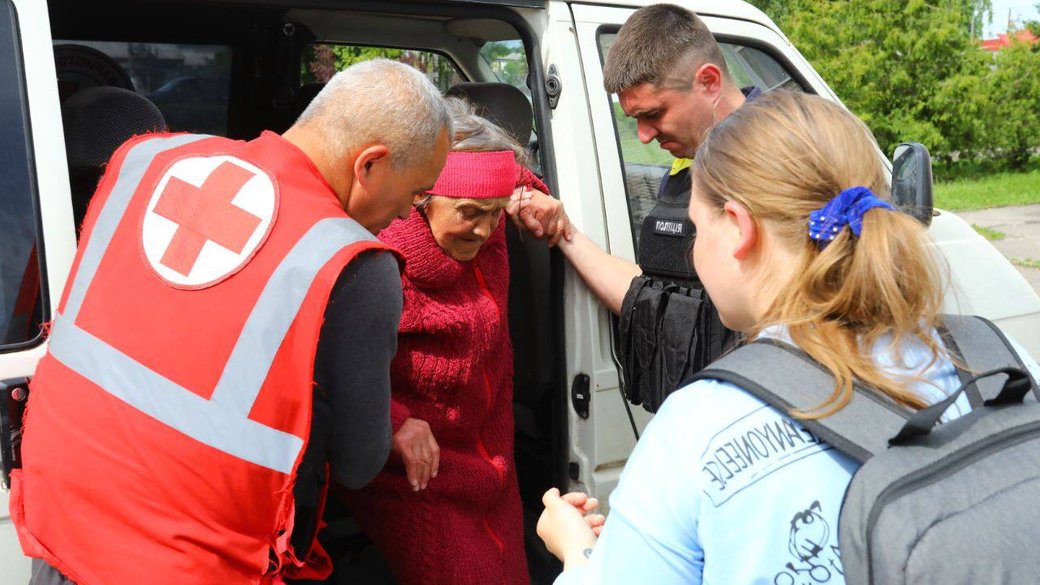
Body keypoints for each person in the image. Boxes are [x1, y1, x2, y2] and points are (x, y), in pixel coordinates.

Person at [535, 90, 1040, 584]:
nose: (693, 253)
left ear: (737, 227)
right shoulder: (994, 357)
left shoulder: (696, 430)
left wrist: (577, 549)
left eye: (696, 229)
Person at [11, 59, 451, 585]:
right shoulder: (354, 264)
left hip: (61, 528)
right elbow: (358, 464)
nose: (407, 215)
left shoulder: (143, 159)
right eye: (415, 193)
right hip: (189, 565)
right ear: (370, 164)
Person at [341, 98, 568, 585]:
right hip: (417, 476)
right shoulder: (378, 261)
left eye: (495, 212)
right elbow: (326, 364)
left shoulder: (480, 219)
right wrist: (393, 420)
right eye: (470, 212)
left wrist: (533, 197)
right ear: (421, 195)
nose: (486, 230)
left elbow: (503, 177)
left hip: (492, 466)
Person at [532, 3, 759, 411]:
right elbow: (655, 295)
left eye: (654, 114)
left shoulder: (786, 165)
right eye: (634, 118)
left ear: (708, 81)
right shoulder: (691, 158)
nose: (644, 136)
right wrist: (564, 230)